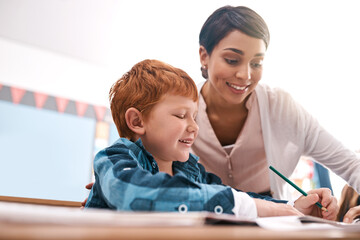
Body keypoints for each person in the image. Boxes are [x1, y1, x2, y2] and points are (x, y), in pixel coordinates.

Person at [84, 59, 337, 219]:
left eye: (194, 116)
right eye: (181, 115)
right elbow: (135, 195)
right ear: (137, 122)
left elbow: (234, 194)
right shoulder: (115, 158)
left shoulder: (191, 170)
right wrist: (249, 207)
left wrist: (292, 206)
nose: (193, 127)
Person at [191, 5, 360, 203]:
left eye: (256, 63)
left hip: (273, 228)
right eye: (232, 60)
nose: (245, 75)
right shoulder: (179, 107)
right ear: (204, 56)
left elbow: (350, 164)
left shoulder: (281, 107)